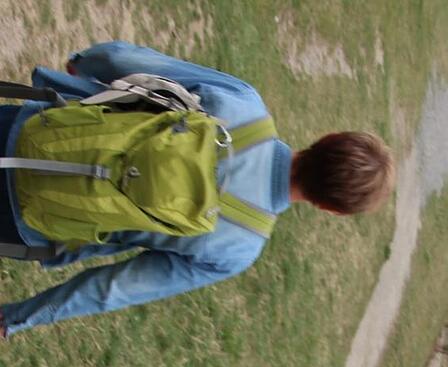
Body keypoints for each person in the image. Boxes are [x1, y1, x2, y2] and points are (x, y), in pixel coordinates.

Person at [0, 41, 395, 338]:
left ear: (327, 138)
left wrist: (86, 63)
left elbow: (130, 60)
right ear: (330, 208)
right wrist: (17, 318)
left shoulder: (245, 105)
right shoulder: (238, 249)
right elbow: (115, 288)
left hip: (29, 132)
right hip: (27, 219)